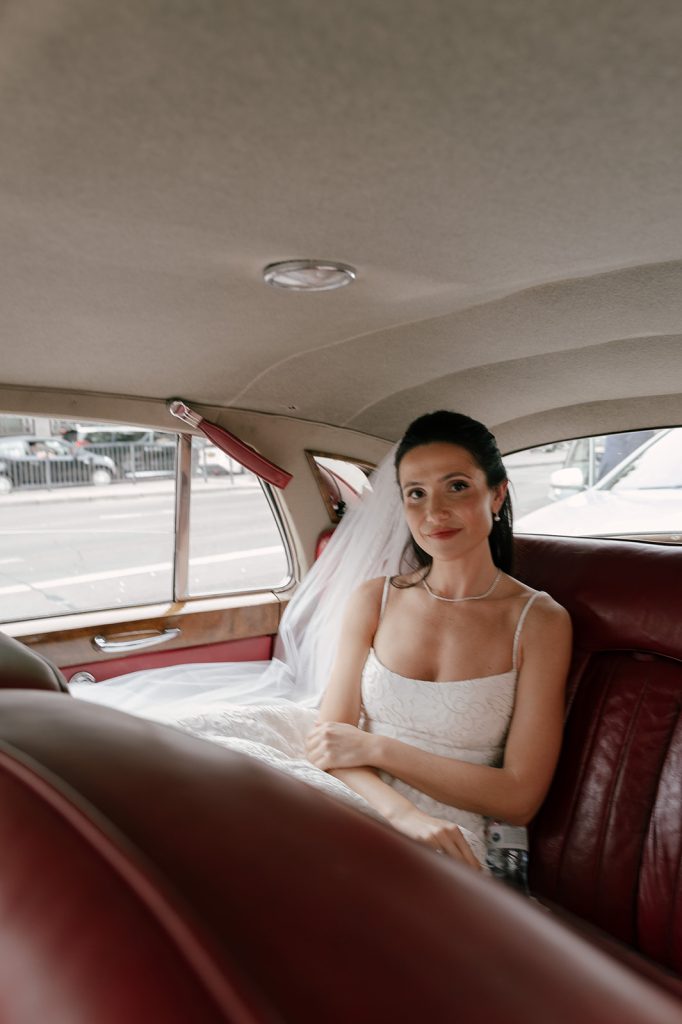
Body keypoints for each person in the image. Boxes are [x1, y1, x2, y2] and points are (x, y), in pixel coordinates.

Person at [73, 411, 571, 872]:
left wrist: (378, 749)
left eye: (456, 487)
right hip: (357, 789)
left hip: (450, 832)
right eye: (415, 493)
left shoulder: (540, 622)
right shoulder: (375, 600)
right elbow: (330, 741)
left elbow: (518, 796)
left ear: (497, 495)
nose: (433, 511)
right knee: (177, 764)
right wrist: (399, 812)